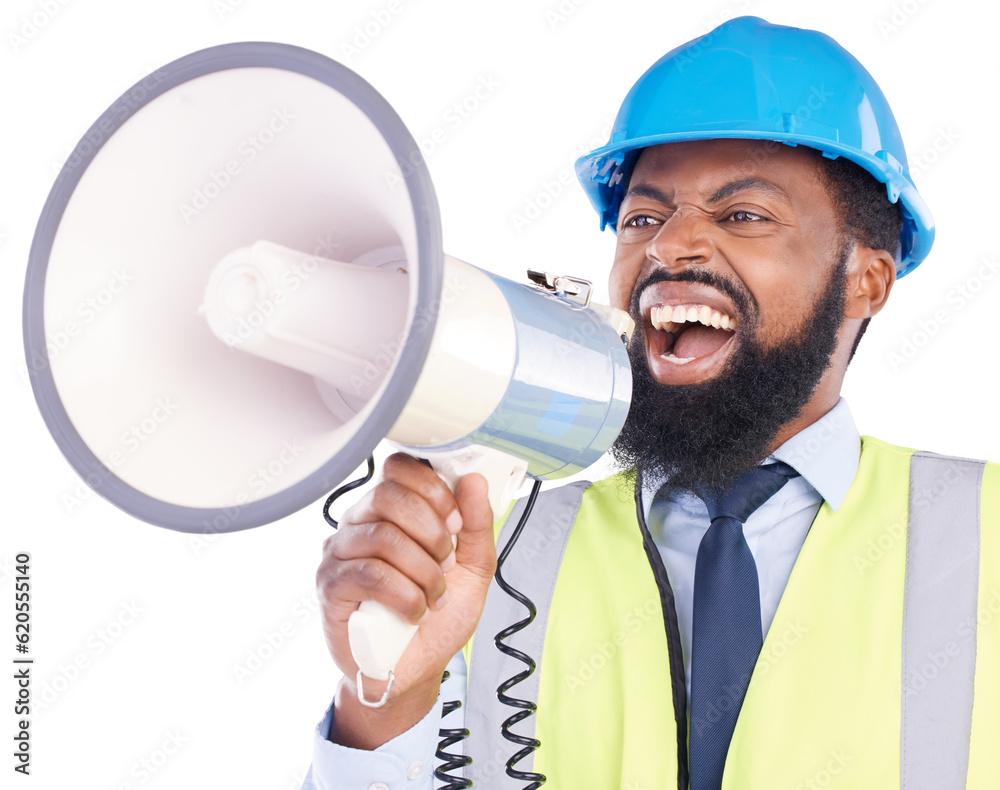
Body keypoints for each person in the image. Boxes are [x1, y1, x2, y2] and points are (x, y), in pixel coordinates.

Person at [305, 16, 999, 790]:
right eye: (642, 217)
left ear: (865, 280)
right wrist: (386, 697)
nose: (669, 248)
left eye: (743, 215)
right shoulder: (484, 554)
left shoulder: (988, 530)